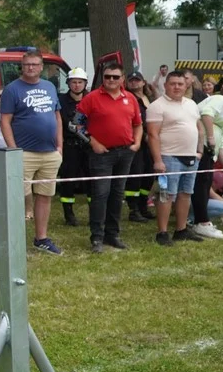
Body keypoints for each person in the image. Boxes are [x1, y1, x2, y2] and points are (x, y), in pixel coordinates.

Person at [74, 62, 143, 253]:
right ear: (102, 78)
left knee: (117, 194)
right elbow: (76, 125)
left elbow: (138, 124)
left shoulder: (130, 98)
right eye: (107, 77)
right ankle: (97, 237)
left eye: (115, 77)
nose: (111, 80)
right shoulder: (92, 98)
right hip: (101, 154)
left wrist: (136, 143)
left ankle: (112, 235)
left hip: (125, 153)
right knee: (100, 194)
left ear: (122, 79)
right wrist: (93, 143)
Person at [0, 51, 63, 255]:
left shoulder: (50, 87)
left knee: (44, 196)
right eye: (27, 65)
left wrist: (60, 146)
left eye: (35, 64)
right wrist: (13, 149)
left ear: (41, 66)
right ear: (22, 66)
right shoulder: (12, 90)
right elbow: (5, 121)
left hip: (50, 152)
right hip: (24, 152)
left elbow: (57, 117)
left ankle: (41, 238)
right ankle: (13, 241)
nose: (31, 68)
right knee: (18, 197)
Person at [145, 72, 204, 247]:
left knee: (185, 194)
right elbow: (152, 135)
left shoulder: (192, 104)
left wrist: (199, 151)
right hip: (169, 157)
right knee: (166, 195)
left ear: (186, 85)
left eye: (180, 83)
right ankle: (162, 232)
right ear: (166, 85)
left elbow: (197, 128)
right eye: (173, 83)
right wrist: (158, 160)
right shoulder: (157, 106)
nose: (177, 87)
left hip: (191, 157)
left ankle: (181, 229)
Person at [192, 83, 223, 240]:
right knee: (201, 186)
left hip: (210, 152)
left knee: (204, 185)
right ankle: (202, 223)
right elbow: (206, 114)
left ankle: (198, 219)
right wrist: (211, 138)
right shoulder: (220, 99)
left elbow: (220, 145)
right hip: (202, 148)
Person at [56, 68, 91, 226]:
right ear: (68, 83)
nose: (77, 85)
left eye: (80, 82)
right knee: (68, 180)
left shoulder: (91, 99)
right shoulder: (60, 101)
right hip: (69, 146)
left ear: (85, 83)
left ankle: (94, 212)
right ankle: (69, 214)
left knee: (91, 180)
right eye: (74, 82)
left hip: (89, 146)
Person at [124, 72, 155, 223]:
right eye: (131, 80)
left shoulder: (150, 99)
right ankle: (133, 209)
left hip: (151, 142)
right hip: (135, 142)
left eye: (137, 80)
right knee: (135, 175)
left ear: (144, 83)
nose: (134, 83)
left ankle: (143, 205)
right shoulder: (128, 99)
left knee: (149, 173)